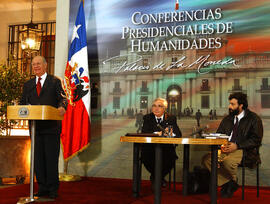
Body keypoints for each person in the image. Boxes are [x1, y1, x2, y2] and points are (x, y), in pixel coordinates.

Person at [20, 56, 67, 199]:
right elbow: (23, 103)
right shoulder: (28, 85)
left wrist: (62, 108)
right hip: (35, 128)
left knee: (51, 159)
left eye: (38, 63)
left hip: (51, 127)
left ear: (45, 65)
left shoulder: (55, 82)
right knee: (38, 160)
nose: (36, 66)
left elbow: (63, 99)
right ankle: (42, 188)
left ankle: (53, 189)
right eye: (33, 64)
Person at [202, 92, 263, 198]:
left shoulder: (254, 119)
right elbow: (219, 133)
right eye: (230, 104)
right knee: (206, 159)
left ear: (241, 105)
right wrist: (219, 142)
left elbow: (256, 140)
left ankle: (227, 183)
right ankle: (230, 182)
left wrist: (237, 145)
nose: (229, 106)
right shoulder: (227, 119)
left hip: (243, 150)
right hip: (224, 148)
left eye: (233, 104)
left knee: (227, 162)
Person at [141, 98, 182, 189]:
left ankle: (156, 178)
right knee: (147, 157)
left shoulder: (171, 118)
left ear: (165, 108)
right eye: (154, 106)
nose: (156, 108)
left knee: (170, 158)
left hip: (166, 149)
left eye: (159, 106)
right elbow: (144, 132)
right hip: (150, 148)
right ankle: (159, 178)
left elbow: (178, 134)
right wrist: (157, 134)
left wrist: (171, 133)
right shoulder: (147, 117)